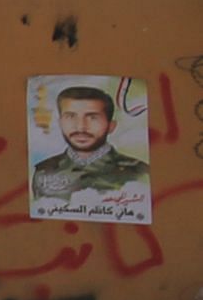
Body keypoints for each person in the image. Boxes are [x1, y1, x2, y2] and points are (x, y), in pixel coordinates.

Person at [35, 83, 152, 214]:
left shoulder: (139, 173)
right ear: (60, 123)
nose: (81, 127)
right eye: (71, 116)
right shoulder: (44, 171)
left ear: (111, 126)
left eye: (93, 117)